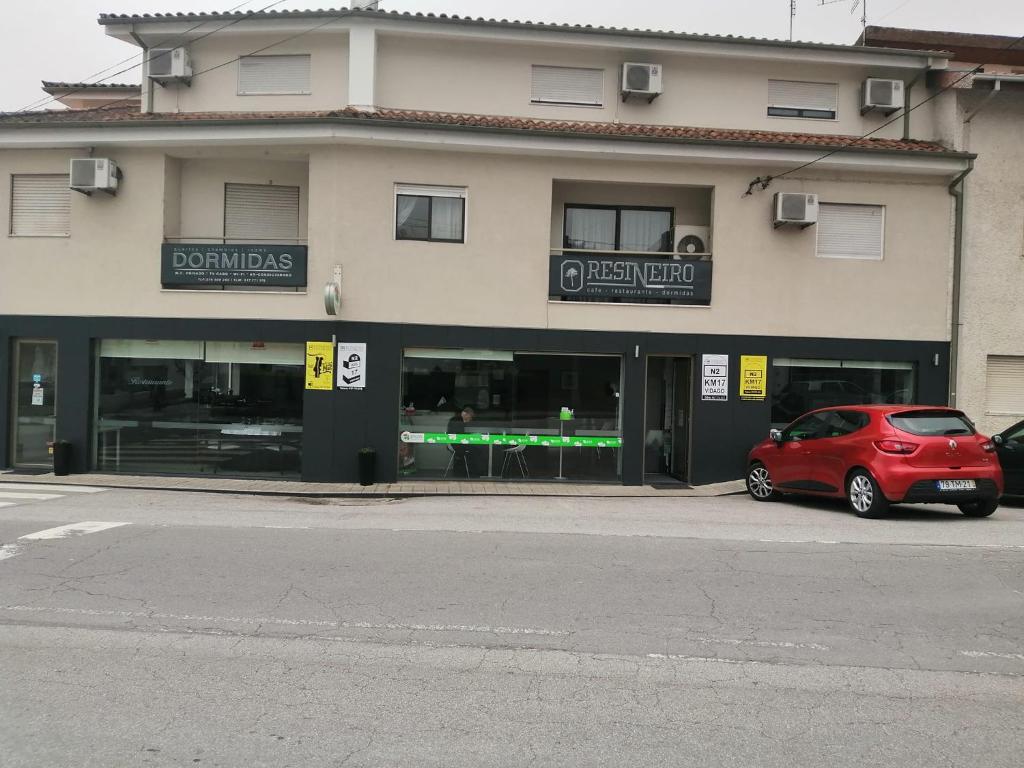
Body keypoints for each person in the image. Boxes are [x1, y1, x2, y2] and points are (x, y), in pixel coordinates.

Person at [446, 406, 477, 477]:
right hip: (455, 443)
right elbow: (459, 434)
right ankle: (469, 472)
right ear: (465, 414)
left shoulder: (462, 421)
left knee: (476, 448)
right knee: (475, 449)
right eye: (470, 417)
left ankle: (468, 471)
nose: (471, 419)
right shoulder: (456, 421)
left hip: (460, 443)